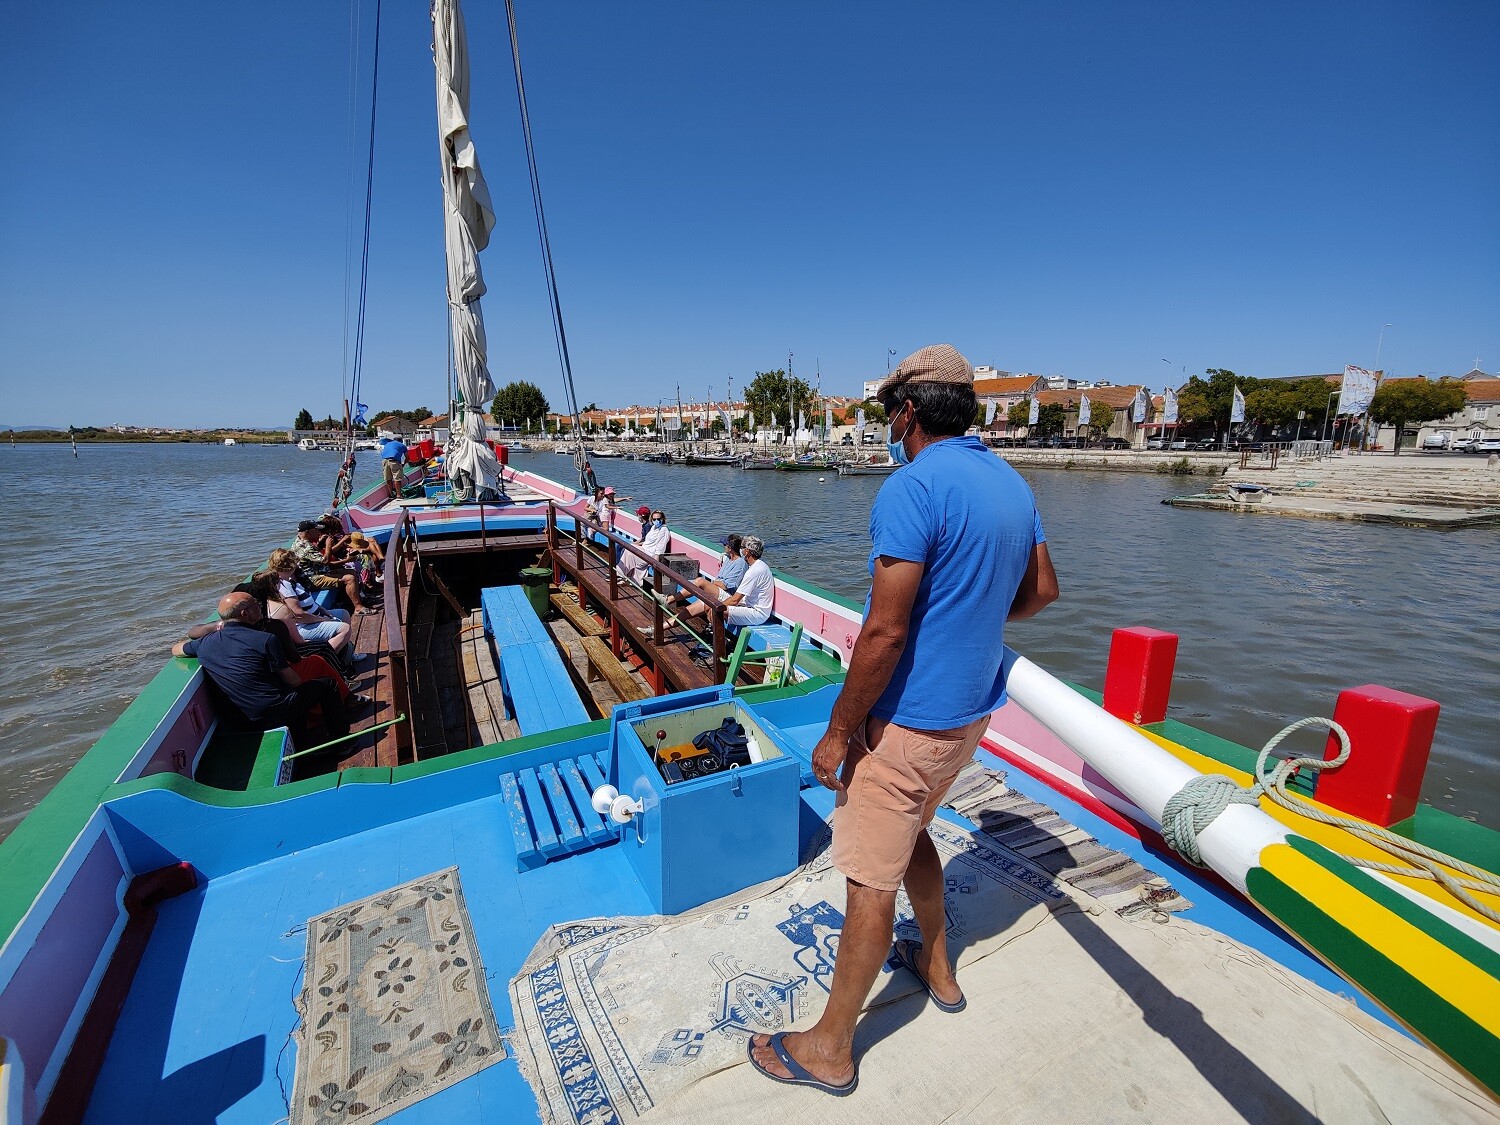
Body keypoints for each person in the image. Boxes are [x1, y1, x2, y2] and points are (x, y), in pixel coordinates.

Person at [748, 344, 1058, 1095]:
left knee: (868, 882)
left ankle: (829, 1047)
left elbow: (884, 633)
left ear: (908, 412)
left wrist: (838, 731)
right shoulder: (1012, 483)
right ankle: (937, 965)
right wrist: (972, 616)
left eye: (890, 410)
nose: (887, 423)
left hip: (904, 726)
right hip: (968, 720)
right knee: (914, 831)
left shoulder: (912, 487)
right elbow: (1042, 591)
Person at [172, 591, 351, 756]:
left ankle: (302, 742)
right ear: (245, 614)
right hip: (272, 713)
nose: (260, 606)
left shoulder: (204, 644)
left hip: (238, 719)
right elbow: (293, 681)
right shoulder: (265, 639)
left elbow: (177, 649)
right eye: (256, 605)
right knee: (326, 685)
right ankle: (342, 743)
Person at [267, 548, 356, 655]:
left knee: (343, 614)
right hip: (303, 626)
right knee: (345, 629)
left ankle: (346, 653)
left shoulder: (290, 581)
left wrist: (323, 610)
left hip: (312, 617)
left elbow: (308, 600)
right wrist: (322, 619)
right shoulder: (283, 586)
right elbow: (298, 614)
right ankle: (326, 657)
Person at [683, 534, 772, 627]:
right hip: (749, 604)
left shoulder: (754, 571)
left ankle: (715, 634)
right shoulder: (760, 566)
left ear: (747, 552)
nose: (740, 550)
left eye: (742, 547)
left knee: (717, 611)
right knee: (712, 606)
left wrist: (716, 607)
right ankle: (711, 629)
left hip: (756, 613)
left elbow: (735, 600)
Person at [291, 521, 372, 614]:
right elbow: (325, 561)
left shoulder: (299, 541)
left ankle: (353, 600)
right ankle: (358, 608)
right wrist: (328, 545)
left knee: (351, 571)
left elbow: (313, 556)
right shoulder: (305, 547)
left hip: (317, 571)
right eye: (316, 530)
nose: (319, 533)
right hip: (312, 579)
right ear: (308, 532)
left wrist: (320, 544)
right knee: (350, 578)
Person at [620, 508, 671, 585]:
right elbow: (647, 541)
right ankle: (628, 577)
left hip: (650, 554)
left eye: (658, 519)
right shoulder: (654, 527)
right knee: (629, 548)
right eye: (654, 519)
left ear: (662, 519)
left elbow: (660, 547)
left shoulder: (663, 530)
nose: (656, 521)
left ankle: (620, 574)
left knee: (629, 552)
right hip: (645, 549)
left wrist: (655, 562)